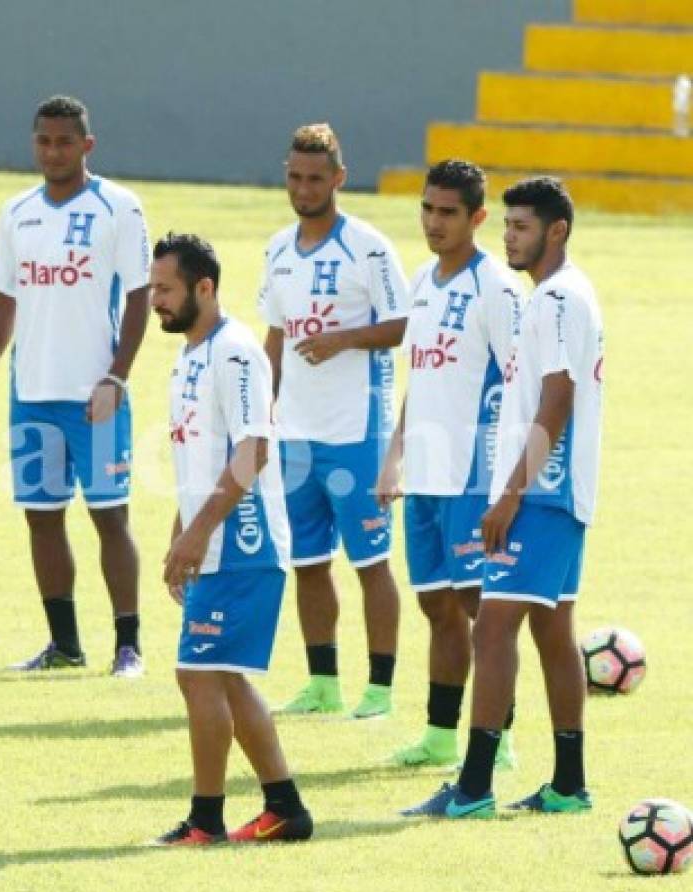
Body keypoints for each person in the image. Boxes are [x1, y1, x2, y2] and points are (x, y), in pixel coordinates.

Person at [403, 176, 603, 818]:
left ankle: (473, 788)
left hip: (543, 492)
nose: (510, 236)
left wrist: (510, 494)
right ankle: (568, 785)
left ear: (556, 231)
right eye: (509, 225)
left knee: (492, 629)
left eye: (521, 226)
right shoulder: (549, 297)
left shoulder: (559, 299)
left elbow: (559, 397)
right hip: (554, 490)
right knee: (552, 631)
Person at [0, 95, 150, 676]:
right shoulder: (17, 211)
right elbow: (5, 298)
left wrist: (116, 377)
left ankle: (128, 646)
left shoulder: (119, 207)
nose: (53, 150)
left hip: (96, 395)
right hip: (32, 392)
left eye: (65, 141)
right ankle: (64, 645)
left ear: (86, 145)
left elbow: (141, 296)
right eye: (44, 140)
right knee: (42, 518)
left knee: (109, 517)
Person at [151, 233, 312, 846]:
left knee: (199, 676)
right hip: (212, 540)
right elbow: (198, 455)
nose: (155, 301)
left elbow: (252, 451)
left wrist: (197, 534)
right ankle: (285, 807)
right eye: (153, 289)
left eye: (165, 290)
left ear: (204, 287)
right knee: (222, 677)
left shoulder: (237, 353)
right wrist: (179, 535)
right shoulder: (188, 355)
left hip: (243, 543)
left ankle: (206, 818)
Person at [258, 123, 409, 718]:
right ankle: (323, 683)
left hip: (357, 432)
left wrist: (343, 338)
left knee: (371, 562)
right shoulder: (276, 249)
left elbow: (405, 325)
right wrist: (261, 415)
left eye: (315, 178)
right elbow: (275, 333)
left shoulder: (368, 247)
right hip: (296, 432)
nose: (302, 187)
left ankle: (380, 687)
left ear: (339, 180)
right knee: (308, 561)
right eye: (294, 176)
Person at [376, 160, 521, 769]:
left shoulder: (496, 288)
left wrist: (509, 480)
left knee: (479, 609)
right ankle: (439, 734)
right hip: (426, 476)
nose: (434, 222)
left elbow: (523, 382)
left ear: (478, 218)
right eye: (428, 209)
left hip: (473, 475)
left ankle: (499, 737)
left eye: (448, 212)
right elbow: (423, 376)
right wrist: (394, 456)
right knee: (435, 604)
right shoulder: (423, 281)